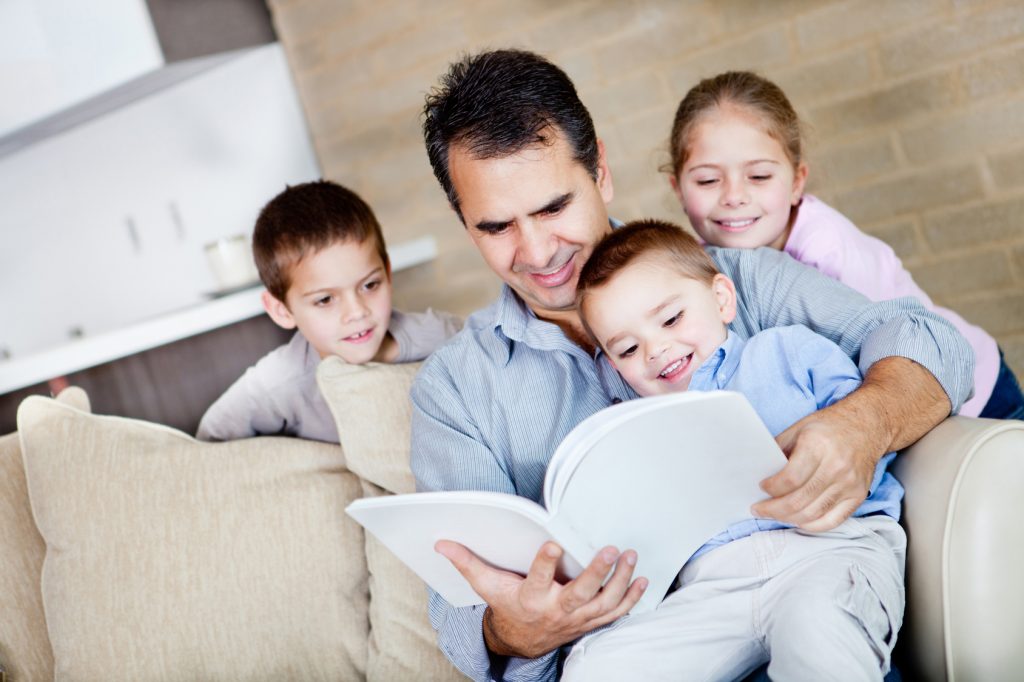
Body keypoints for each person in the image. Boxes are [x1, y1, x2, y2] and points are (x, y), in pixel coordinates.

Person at [412, 48, 971, 682]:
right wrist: (514, 626)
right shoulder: (455, 390)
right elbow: (462, 611)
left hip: (812, 589)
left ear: (601, 171)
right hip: (654, 643)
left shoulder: (733, 277)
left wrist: (867, 422)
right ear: (465, 224)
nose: (538, 252)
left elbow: (932, 340)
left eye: (552, 208)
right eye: (496, 227)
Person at [569, 218, 904, 680]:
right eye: (627, 349)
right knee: (598, 665)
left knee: (819, 633)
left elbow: (866, 435)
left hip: (827, 549)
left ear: (722, 299)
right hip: (713, 586)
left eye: (670, 319)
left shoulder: (786, 351)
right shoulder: (640, 429)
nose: (656, 349)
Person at [666, 70, 1024, 420]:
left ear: (796, 181)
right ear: (678, 189)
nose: (734, 196)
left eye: (759, 176)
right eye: (708, 180)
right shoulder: (700, 264)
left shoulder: (829, 250)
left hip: (972, 396)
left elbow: (888, 361)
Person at [197, 180, 461, 443]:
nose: (356, 312)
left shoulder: (441, 336)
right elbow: (210, 438)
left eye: (370, 285)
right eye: (325, 300)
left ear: (387, 273)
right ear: (282, 310)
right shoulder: (278, 384)